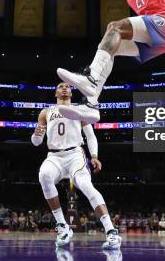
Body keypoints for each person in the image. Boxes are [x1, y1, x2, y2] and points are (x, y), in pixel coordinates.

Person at [31, 82, 121, 250]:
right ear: (55, 93)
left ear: (71, 93)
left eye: (68, 87)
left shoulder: (80, 109)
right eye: (60, 86)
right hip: (54, 155)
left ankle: (111, 231)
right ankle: (63, 227)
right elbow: (36, 142)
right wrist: (36, 135)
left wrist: (94, 156)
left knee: (86, 185)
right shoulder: (46, 112)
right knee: (44, 175)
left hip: (75, 155)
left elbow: (91, 136)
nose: (65, 88)